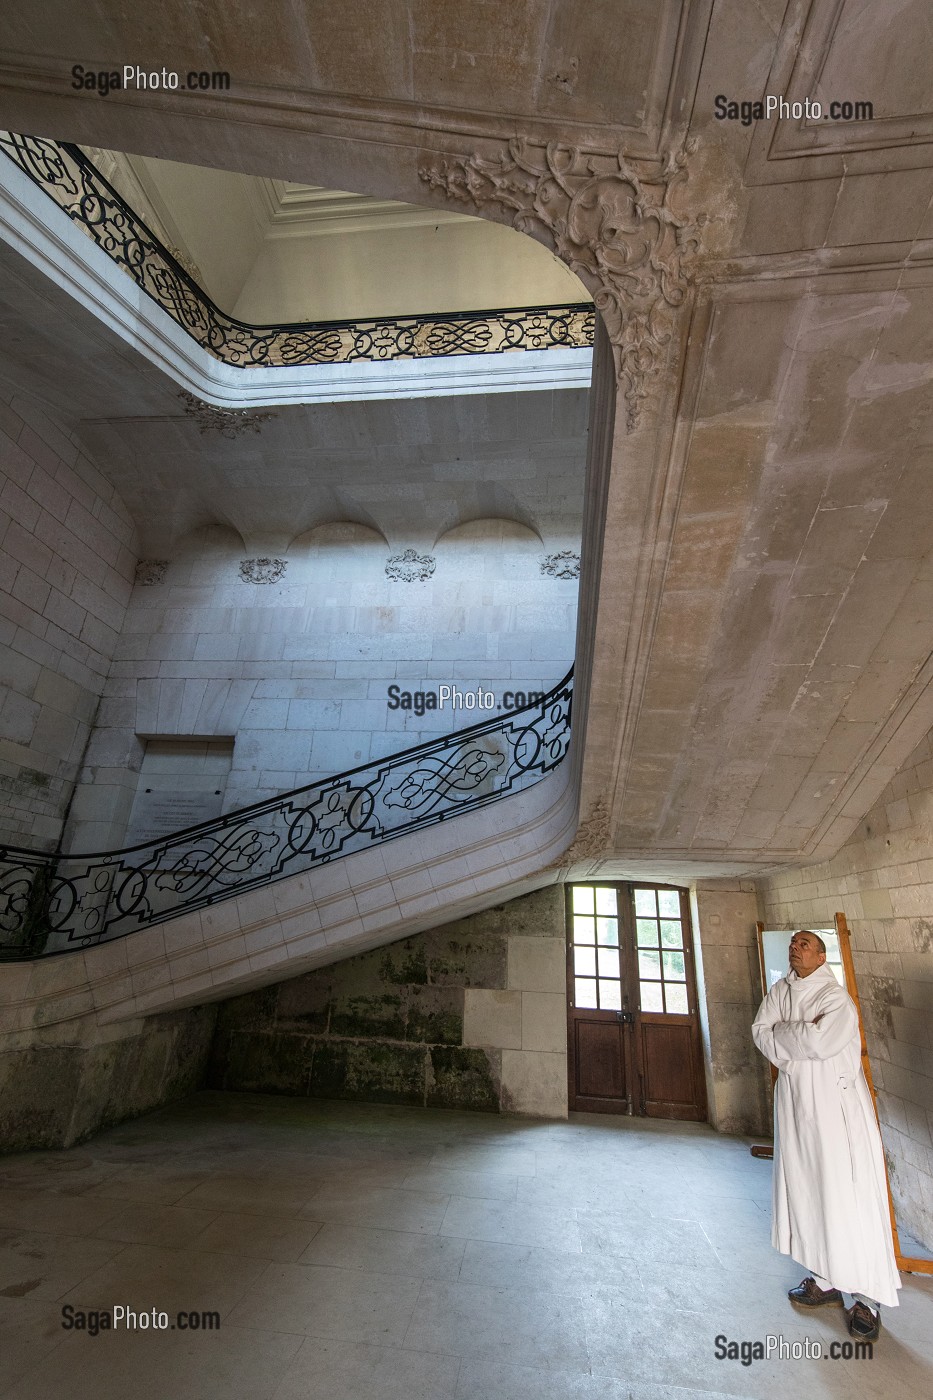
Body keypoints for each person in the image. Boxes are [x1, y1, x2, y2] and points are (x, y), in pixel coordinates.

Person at [752, 929, 900, 1341]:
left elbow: (819, 1041)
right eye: (793, 943)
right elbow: (761, 1032)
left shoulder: (836, 1000)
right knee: (809, 1191)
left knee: (845, 1196)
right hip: (798, 1110)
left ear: (821, 957)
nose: (795, 948)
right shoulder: (781, 990)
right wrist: (794, 1036)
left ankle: (867, 1299)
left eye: (805, 944)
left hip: (835, 1113)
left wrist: (787, 1036)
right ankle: (825, 1278)